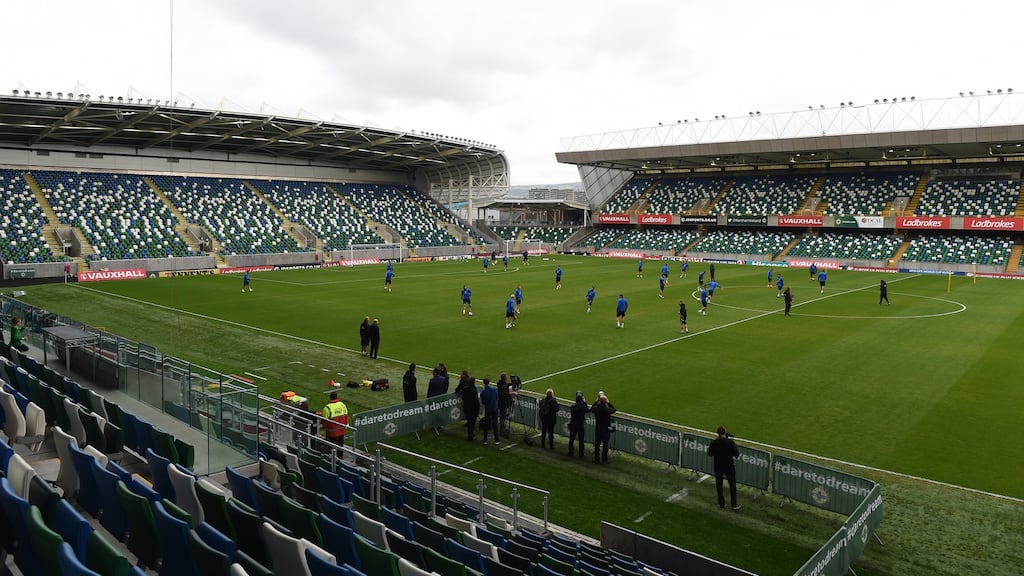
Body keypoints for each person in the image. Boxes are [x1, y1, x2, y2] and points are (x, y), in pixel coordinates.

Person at [707, 426, 741, 510]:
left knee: (719, 485)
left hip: (718, 465)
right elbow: (736, 454)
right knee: (732, 485)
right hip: (729, 465)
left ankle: (721, 504)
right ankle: (734, 504)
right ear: (725, 432)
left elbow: (710, 453)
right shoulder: (730, 442)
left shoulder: (714, 442)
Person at [591, 391, 616, 464]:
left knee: (597, 444)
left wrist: (596, 402)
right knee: (605, 445)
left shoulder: (596, 408)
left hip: (598, 428)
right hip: (605, 429)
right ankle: (604, 460)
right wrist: (608, 402)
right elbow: (614, 410)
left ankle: (596, 459)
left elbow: (592, 408)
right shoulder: (607, 409)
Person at [455, 374, 480, 441]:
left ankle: (470, 434)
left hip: (466, 407)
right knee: (472, 422)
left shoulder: (465, 389)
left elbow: (463, 397)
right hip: (473, 408)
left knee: (469, 421)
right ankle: (470, 436)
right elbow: (475, 401)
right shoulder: (474, 390)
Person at [479, 378, 500, 445]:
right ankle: (496, 440)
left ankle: (485, 440)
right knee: (495, 424)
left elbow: (483, 402)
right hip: (494, 408)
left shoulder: (483, 392)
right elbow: (497, 398)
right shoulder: (494, 390)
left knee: (486, 424)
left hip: (488, 409)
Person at [567, 391, 588, 458]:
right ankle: (581, 453)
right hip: (580, 425)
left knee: (571, 439)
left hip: (573, 424)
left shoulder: (573, 407)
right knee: (581, 440)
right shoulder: (582, 407)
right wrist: (584, 402)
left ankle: (571, 452)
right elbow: (587, 409)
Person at [497, 372, 514, 437]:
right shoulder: (503, 386)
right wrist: (512, 393)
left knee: (503, 417)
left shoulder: (500, 383)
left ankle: (502, 429)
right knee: (502, 418)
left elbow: (506, 385)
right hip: (503, 403)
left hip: (501, 403)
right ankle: (502, 431)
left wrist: (512, 383)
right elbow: (504, 393)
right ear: (505, 378)